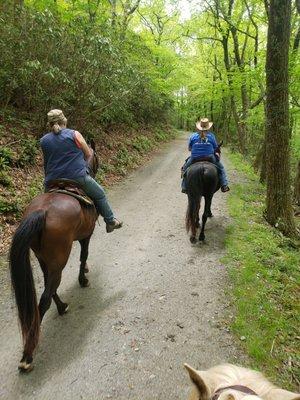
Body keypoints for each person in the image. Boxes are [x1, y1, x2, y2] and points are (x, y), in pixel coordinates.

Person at [40, 109, 122, 233]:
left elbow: (46, 162)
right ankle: (110, 221)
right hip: (77, 177)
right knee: (100, 194)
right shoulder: (74, 134)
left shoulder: (44, 140)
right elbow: (88, 153)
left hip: (52, 180)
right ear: (64, 120)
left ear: (49, 123)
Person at [181, 118, 230, 193]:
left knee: (185, 169)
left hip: (195, 158)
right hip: (209, 157)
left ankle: (184, 187)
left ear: (199, 127)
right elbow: (215, 147)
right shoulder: (211, 136)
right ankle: (224, 185)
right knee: (221, 168)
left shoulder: (193, 136)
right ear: (208, 127)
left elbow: (189, 149)